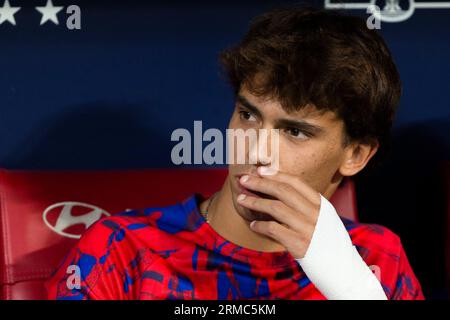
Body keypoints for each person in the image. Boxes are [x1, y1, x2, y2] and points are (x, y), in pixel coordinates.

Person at [46, 6, 424, 300]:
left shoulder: (375, 259)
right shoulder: (122, 249)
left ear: (355, 155)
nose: (256, 151)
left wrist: (353, 288)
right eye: (248, 115)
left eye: (294, 131)